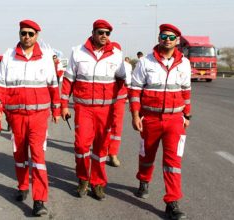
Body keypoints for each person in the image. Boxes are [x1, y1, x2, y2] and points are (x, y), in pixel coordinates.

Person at [0, 20, 60, 216]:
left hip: (38, 117)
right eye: (23, 33)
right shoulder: (8, 58)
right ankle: (22, 186)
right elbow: (0, 86)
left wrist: (56, 110)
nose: (26, 37)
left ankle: (39, 200)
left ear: (37, 35)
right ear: (19, 34)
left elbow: (53, 86)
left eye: (30, 33)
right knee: (19, 156)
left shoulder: (45, 58)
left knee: (38, 157)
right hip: (16, 116)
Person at [129, 24, 191, 220]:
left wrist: (187, 115)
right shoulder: (145, 62)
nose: (167, 40)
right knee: (147, 155)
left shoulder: (185, 63)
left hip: (175, 119)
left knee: (173, 162)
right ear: (159, 37)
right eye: (164, 36)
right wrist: (135, 115)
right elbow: (135, 90)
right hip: (151, 118)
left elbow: (186, 91)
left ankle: (172, 202)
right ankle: (144, 180)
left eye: (171, 37)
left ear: (177, 41)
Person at [60, 19, 127, 200]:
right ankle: (83, 179)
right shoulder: (77, 52)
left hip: (105, 110)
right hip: (84, 109)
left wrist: (118, 107)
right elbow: (68, 80)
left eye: (107, 33)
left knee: (101, 149)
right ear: (93, 32)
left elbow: (122, 82)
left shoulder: (116, 55)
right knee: (82, 146)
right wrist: (64, 105)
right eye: (100, 32)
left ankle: (98, 183)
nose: (104, 36)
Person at [107, 57, 133, 167]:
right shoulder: (103, 64)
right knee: (110, 126)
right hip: (108, 100)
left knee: (113, 126)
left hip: (116, 100)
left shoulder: (126, 66)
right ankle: (108, 151)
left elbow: (128, 83)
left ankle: (111, 153)